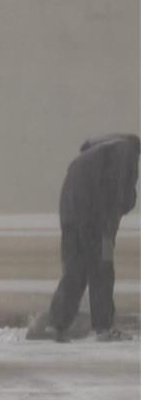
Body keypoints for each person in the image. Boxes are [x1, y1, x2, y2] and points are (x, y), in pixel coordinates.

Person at [49, 133, 139, 342]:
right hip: (97, 222)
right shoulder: (126, 150)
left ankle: (56, 325)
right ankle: (104, 328)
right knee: (103, 271)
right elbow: (120, 192)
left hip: (70, 219)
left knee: (75, 272)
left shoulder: (84, 158)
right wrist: (111, 223)